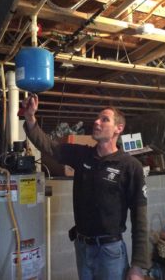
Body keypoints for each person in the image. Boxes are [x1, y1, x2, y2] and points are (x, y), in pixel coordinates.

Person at [22, 94, 149, 280]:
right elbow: (49, 146)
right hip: (82, 247)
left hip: (110, 252)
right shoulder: (83, 155)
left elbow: (140, 218)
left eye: (104, 119)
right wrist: (30, 118)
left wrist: (138, 266)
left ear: (118, 128)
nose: (97, 122)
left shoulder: (130, 167)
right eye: (97, 118)